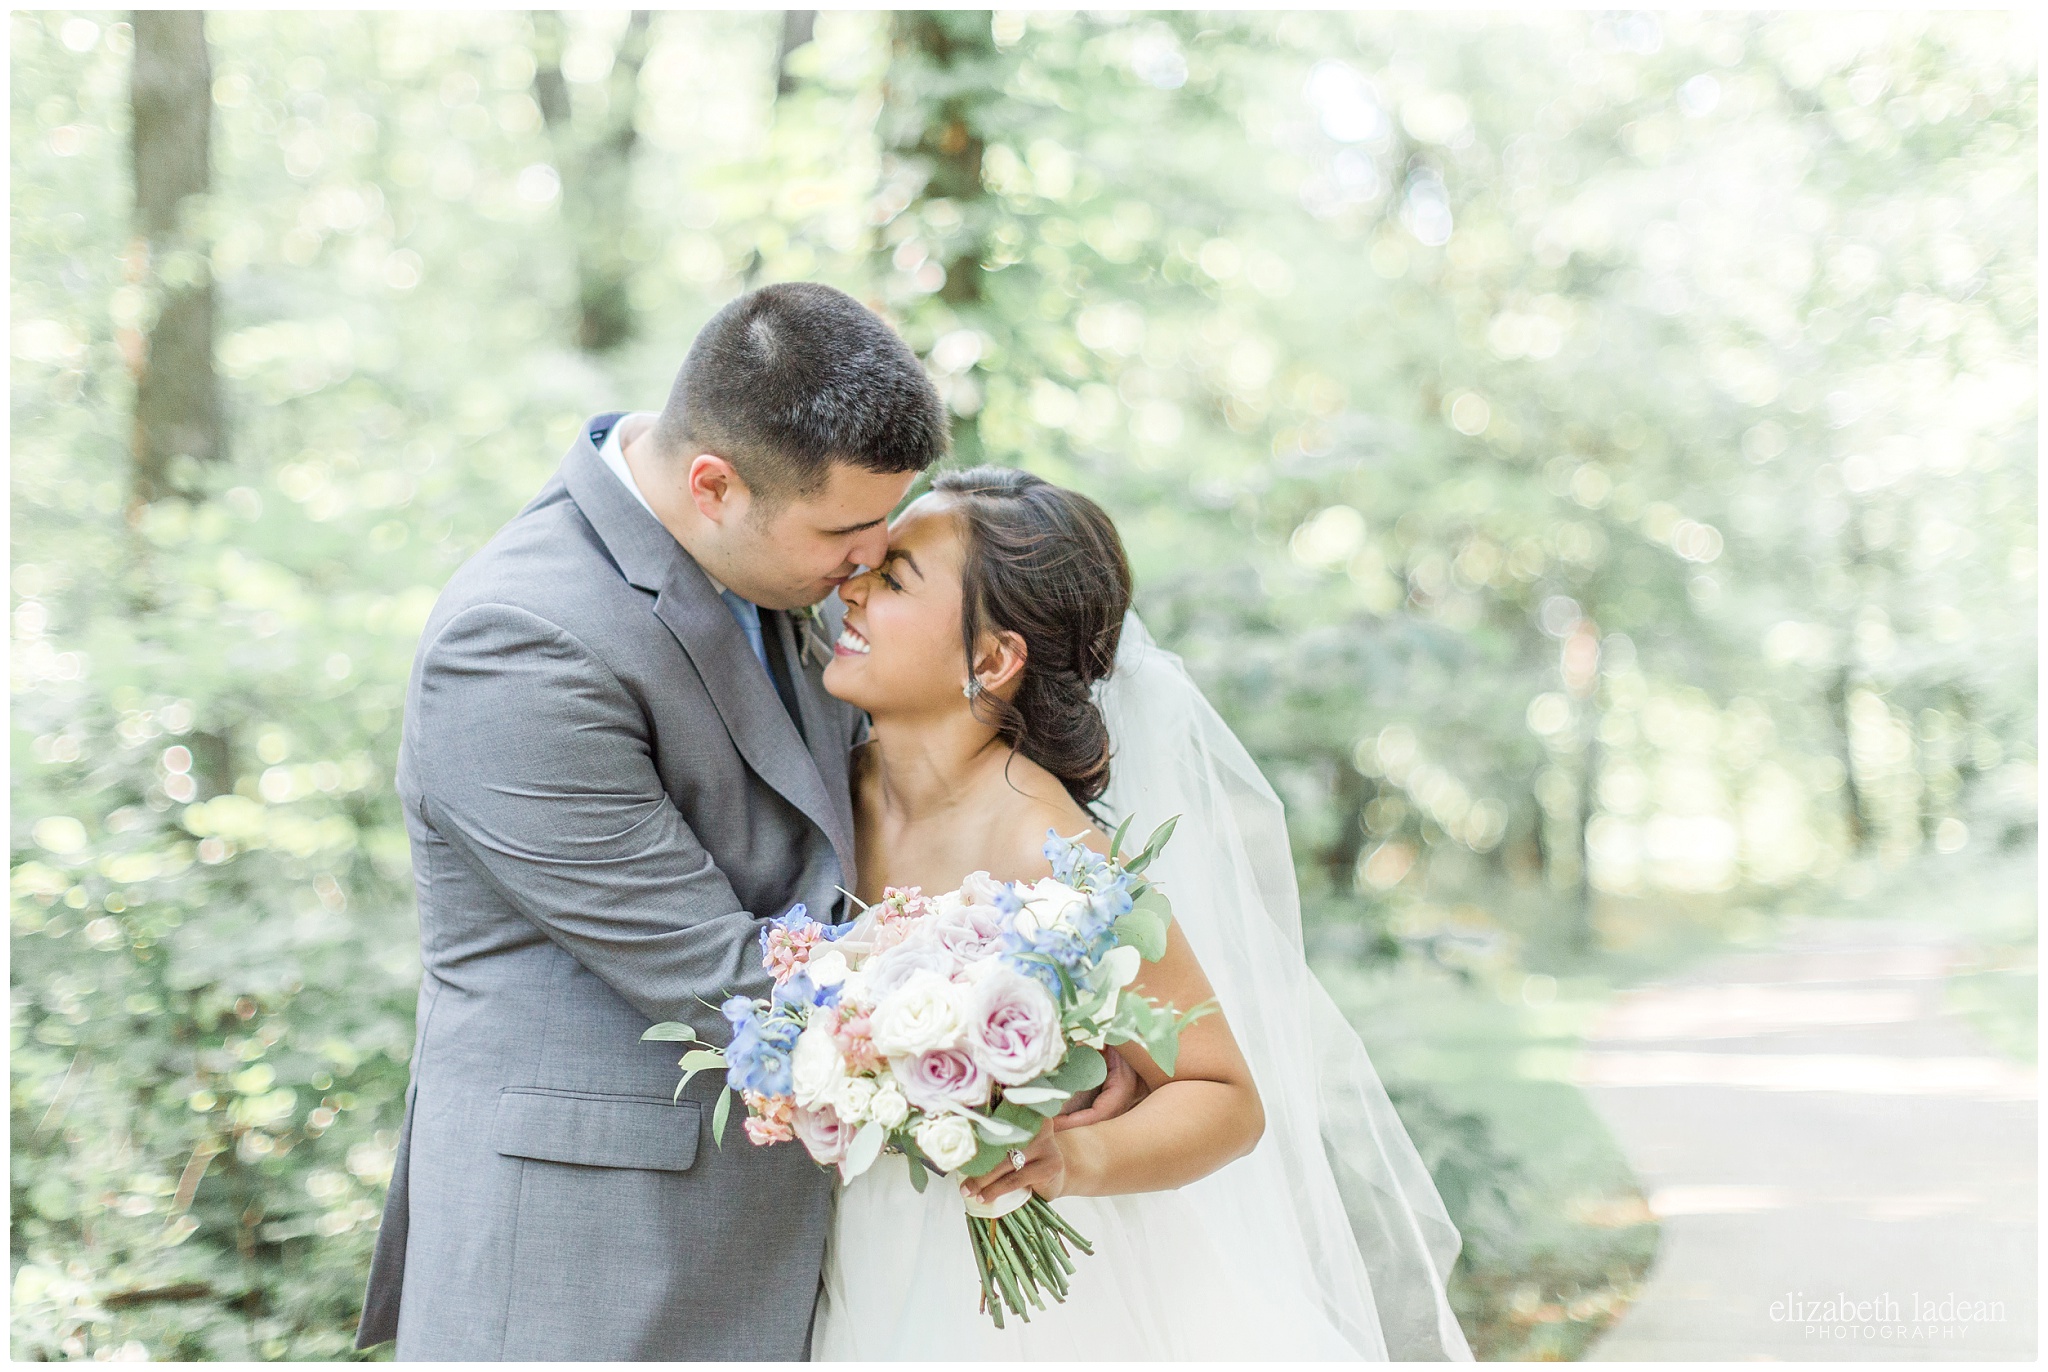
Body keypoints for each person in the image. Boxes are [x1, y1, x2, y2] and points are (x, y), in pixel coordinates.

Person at [355, 283, 1144, 1361]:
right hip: (585, 1263)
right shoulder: (519, 641)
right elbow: (723, 977)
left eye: (883, 526)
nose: (868, 564)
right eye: (846, 531)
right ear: (713, 485)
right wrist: (1019, 1030)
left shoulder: (788, 562)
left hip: (796, 1247)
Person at [809, 468, 1472, 1360]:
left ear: (993, 658)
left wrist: (1070, 1160)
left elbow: (1225, 1098)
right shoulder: (823, 789)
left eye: (892, 580)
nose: (850, 587)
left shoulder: (1052, 850)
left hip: (1027, 1300)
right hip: (857, 1244)